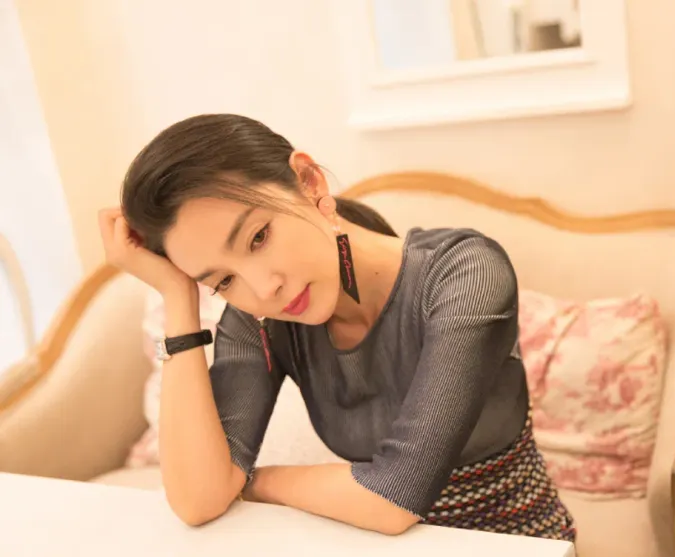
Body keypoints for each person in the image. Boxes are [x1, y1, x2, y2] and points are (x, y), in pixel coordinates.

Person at [98, 114, 576, 541]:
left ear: (309, 182)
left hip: (518, 543)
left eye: (259, 237)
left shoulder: (465, 274)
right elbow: (197, 500)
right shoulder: (259, 319)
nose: (265, 288)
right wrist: (177, 295)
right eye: (223, 281)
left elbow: (391, 500)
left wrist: (252, 480)